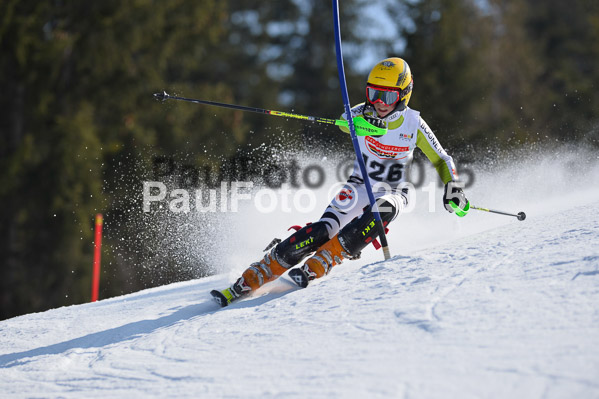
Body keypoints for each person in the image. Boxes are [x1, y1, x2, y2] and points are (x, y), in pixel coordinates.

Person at [210, 57, 469, 307]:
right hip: (358, 186)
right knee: (322, 230)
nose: (379, 102)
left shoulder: (413, 123)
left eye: (388, 96)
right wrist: (362, 124)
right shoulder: (361, 112)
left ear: (404, 94)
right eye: (373, 93)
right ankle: (259, 272)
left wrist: (452, 186)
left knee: (381, 212)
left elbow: (442, 159)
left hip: (393, 190)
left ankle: (328, 258)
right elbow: (344, 122)